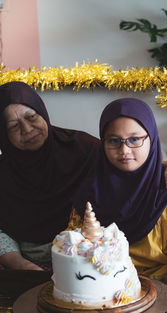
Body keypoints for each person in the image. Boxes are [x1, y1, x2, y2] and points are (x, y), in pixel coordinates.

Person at [71, 97, 167, 278]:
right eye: (113, 141)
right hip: (102, 290)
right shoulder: (89, 194)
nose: (124, 150)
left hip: (164, 289)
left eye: (134, 139)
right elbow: (72, 249)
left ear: (151, 138)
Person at [0, 81, 100, 270]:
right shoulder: (3, 174)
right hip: (25, 267)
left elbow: (128, 170)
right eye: (13, 126)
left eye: (31, 117)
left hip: (88, 263)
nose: (27, 129)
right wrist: (22, 266)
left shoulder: (84, 150)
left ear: (42, 112)